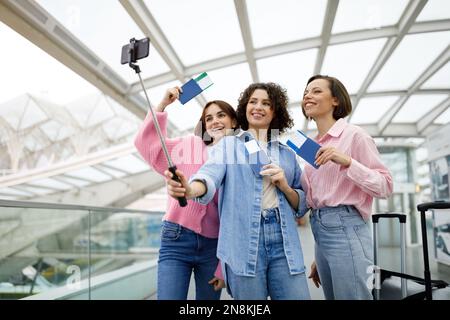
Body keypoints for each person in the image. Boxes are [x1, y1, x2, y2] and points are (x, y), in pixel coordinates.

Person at [165, 82, 311, 300]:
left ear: (275, 111)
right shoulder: (229, 145)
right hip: (243, 243)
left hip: (284, 242)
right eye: (253, 102)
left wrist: (284, 186)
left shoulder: (287, 154)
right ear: (245, 108)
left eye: (266, 103)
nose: (258, 107)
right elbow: (209, 176)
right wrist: (189, 189)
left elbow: (302, 204)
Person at [134, 87, 238, 300]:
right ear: (204, 126)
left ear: (234, 122)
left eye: (221, 115)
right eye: (208, 118)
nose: (215, 121)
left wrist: (223, 266)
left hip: (214, 247)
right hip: (176, 237)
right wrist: (162, 105)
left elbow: (238, 215)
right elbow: (147, 146)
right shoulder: (188, 145)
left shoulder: (241, 157)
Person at [300, 75, 393, 300]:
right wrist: (321, 253)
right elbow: (317, 197)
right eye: (306, 93)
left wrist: (348, 162)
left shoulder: (354, 136)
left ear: (335, 100)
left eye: (316, 91)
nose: (307, 96)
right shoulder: (311, 144)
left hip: (346, 227)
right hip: (321, 232)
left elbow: (385, 186)